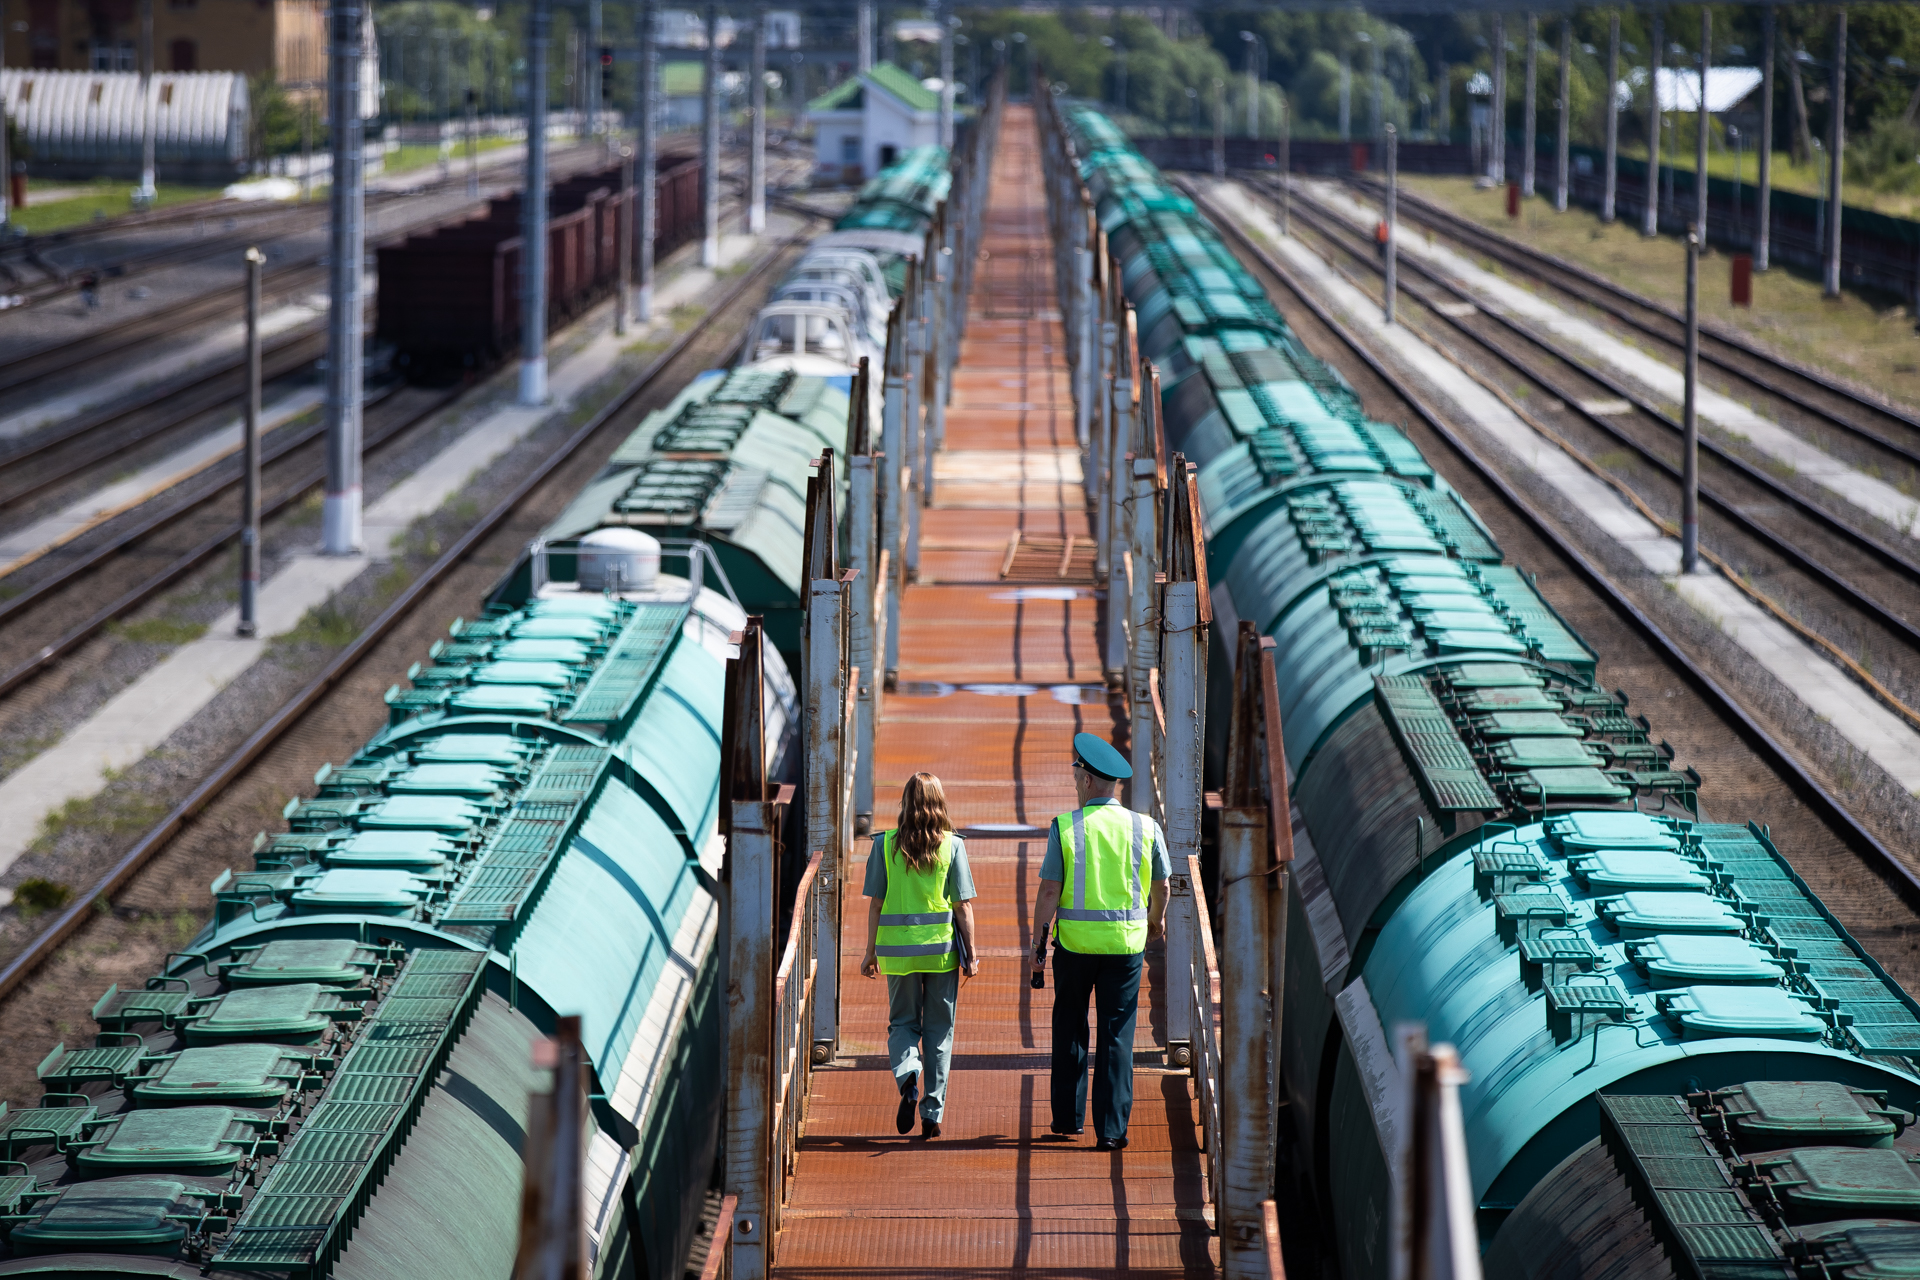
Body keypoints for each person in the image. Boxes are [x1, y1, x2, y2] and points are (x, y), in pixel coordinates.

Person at [1030, 732, 1170, 1151]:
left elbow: (1049, 893)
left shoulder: (1066, 828)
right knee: (1116, 1036)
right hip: (1126, 948)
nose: (1073, 777)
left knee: (1070, 1026)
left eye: (1076, 771)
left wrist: (1039, 948)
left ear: (1089, 781)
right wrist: (1154, 921)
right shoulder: (1146, 828)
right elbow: (1163, 883)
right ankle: (1111, 1130)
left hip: (1074, 947)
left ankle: (1068, 1119)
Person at [860, 771, 978, 1140]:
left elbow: (876, 904)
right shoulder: (953, 846)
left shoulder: (884, 845)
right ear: (939, 803)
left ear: (906, 803)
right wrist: (971, 955)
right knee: (939, 1031)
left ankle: (908, 1076)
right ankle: (932, 1113)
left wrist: (869, 953)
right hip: (941, 952)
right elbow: (962, 907)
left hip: (898, 954)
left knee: (902, 1024)